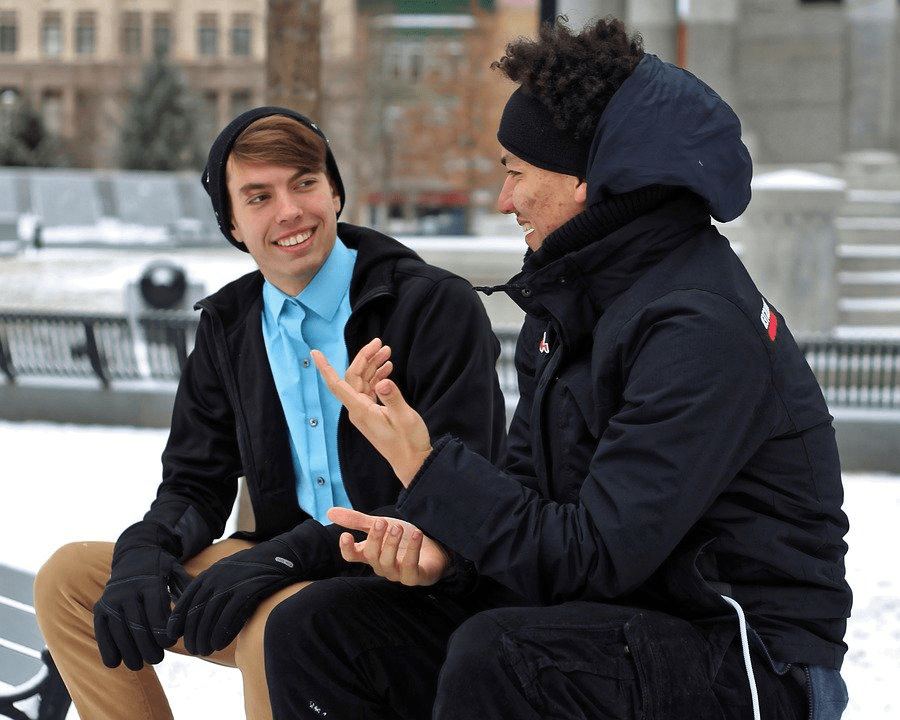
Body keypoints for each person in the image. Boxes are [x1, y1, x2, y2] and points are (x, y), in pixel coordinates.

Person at [270, 18, 853, 720]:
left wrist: (426, 468)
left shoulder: (697, 326)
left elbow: (598, 554)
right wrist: (447, 552)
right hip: (619, 620)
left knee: (507, 657)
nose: (503, 199)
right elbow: (535, 496)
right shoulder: (574, 303)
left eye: (516, 171)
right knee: (321, 629)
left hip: (751, 660)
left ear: (588, 181)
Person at [32, 106, 508, 720]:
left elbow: (461, 496)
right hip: (275, 564)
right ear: (231, 222)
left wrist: (284, 558)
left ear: (334, 191)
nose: (288, 212)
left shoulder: (431, 306)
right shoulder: (230, 328)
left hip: (405, 576)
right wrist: (145, 552)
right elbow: (193, 483)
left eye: (303, 183)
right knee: (71, 580)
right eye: (258, 196)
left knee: (280, 624)